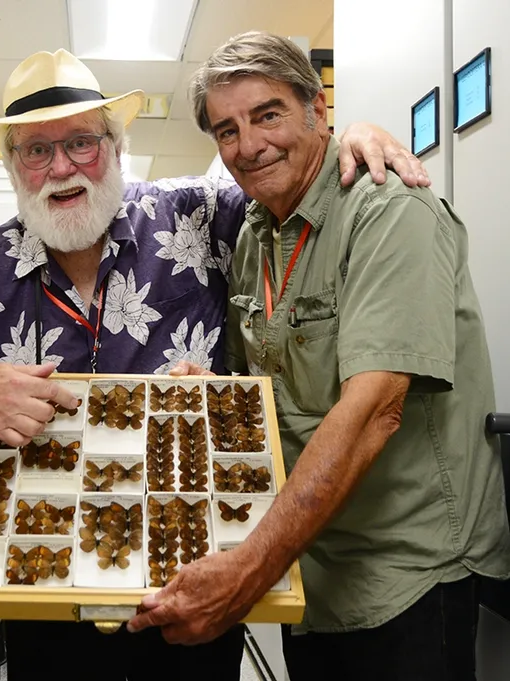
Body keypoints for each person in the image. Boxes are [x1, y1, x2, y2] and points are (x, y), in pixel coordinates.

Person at [0, 47, 427, 681]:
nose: (61, 168)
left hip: (192, 585)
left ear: (114, 147)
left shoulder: (195, 215)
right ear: (13, 166)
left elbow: (280, 168)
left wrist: (350, 138)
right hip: (41, 593)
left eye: (81, 143)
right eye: (36, 150)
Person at [127, 30, 510, 681]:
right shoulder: (255, 234)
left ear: (317, 109)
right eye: (227, 130)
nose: (248, 145)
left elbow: (372, 412)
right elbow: (283, 390)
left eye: (267, 114)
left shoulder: (388, 211)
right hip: (316, 576)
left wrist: (248, 568)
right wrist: (221, 396)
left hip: (407, 578)